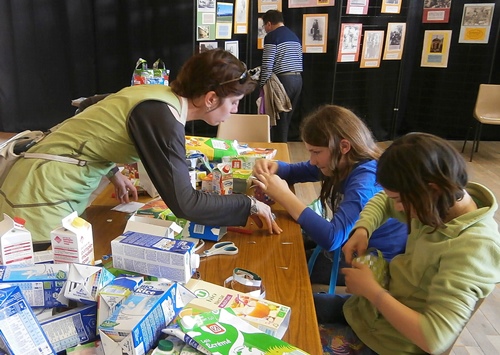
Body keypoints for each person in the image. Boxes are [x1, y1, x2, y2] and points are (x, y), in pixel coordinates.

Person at [0, 49, 282, 242]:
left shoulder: (157, 94)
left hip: (42, 180)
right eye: (233, 102)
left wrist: (113, 172)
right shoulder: (162, 117)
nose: (233, 110)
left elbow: (92, 111)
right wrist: (249, 205)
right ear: (210, 99)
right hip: (38, 200)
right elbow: (186, 204)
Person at [315, 133, 500, 354]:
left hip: (390, 344)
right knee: (287, 307)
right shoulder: (440, 200)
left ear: (432, 190)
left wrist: (372, 291)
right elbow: (383, 200)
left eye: (400, 200)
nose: (398, 208)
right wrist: (363, 228)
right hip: (366, 312)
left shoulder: (474, 249)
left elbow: (434, 338)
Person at [252, 105, 407, 285]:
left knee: (281, 263)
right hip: (349, 243)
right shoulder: (344, 162)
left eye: (316, 152)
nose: (312, 160)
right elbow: (299, 170)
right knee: (283, 245)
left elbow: (332, 238)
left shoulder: (364, 183)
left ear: (344, 146)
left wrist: (285, 196)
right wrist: (275, 167)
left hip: (374, 263)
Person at [260, 10, 303, 143]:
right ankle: (283, 151)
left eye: (264, 26)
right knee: (286, 118)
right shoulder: (294, 36)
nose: (265, 30)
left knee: (279, 120)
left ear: (268, 24)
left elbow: (267, 64)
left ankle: (280, 154)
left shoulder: (272, 37)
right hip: (298, 80)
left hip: (283, 80)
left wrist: (262, 84)